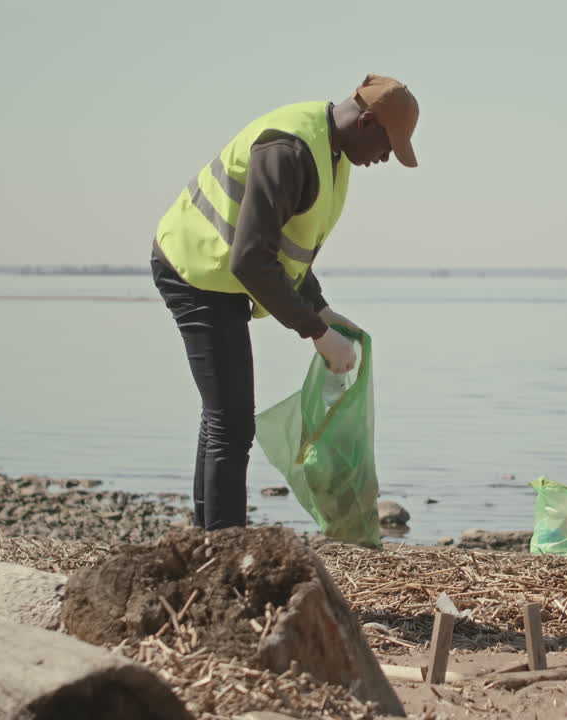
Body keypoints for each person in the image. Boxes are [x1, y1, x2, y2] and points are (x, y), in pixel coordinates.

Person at [151, 74, 419, 530]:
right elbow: (252, 260)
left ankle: (209, 540)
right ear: (367, 121)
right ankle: (225, 551)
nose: (386, 158)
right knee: (232, 424)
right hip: (194, 269)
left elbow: (288, 247)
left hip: (222, 277)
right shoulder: (289, 150)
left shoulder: (332, 152)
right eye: (388, 144)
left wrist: (319, 307)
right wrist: (316, 333)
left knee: (224, 417)